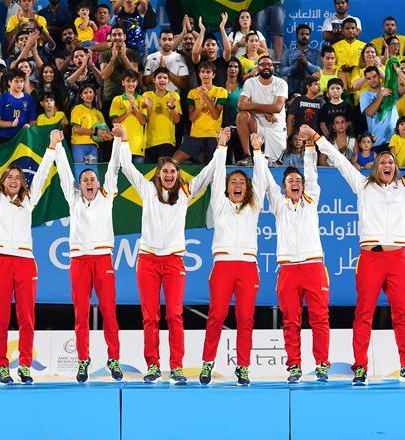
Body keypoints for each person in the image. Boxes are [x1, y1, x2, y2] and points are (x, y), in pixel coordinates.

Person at [314, 128, 405, 387]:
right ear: (375, 166)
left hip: (397, 257)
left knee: (402, 314)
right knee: (363, 313)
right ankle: (360, 367)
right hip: (370, 258)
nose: (387, 165)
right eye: (383, 162)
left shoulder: (404, 187)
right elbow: (340, 161)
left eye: (391, 162)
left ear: (396, 167)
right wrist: (319, 139)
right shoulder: (363, 185)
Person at [120, 128, 220, 385]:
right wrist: (123, 138)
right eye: (164, 171)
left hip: (174, 261)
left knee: (174, 315)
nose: (168, 174)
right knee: (150, 315)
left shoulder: (185, 194)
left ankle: (176, 367)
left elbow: (207, 175)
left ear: (178, 175)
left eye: (173, 171)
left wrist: (220, 147)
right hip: (148, 261)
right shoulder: (147, 191)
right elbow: (127, 167)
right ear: (157, 174)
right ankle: (153, 365)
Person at [0, 125, 62, 385]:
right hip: (0, 261)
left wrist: (52, 147)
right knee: (0, 317)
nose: (14, 180)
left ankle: (24, 365)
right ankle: (3, 365)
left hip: (25, 262)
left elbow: (44, 173)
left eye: (18, 177)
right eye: (9, 176)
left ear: (22, 182)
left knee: (26, 317)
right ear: (3, 180)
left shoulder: (29, 201)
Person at [54, 123, 124, 383]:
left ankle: (113, 358)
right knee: (81, 314)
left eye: (93, 179)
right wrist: (59, 146)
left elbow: (114, 168)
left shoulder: (107, 196)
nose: (89, 182)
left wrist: (117, 141)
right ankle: (83, 360)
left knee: (109, 311)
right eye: (85, 180)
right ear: (80, 185)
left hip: (102, 258)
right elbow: (63, 174)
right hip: (79, 260)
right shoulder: (73, 199)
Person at [200, 129, 267, 387]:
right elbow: (217, 176)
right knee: (216, 315)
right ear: (226, 189)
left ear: (247, 188)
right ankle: (207, 363)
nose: (237, 185)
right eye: (233, 183)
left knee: (246, 319)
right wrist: (221, 146)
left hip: (248, 266)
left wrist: (258, 152)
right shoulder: (219, 203)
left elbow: (260, 179)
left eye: (242, 183)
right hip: (223, 266)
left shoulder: (254, 206)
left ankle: (243, 367)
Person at [265, 125, 331, 382]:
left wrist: (310, 146)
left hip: (313, 266)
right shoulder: (279, 205)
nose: (296, 183)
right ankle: (294, 365)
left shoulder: (312, 198)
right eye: (291, 181)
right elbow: (266, 180)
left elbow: (312, 173)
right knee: (291, 320)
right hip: (289, 269)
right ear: (284, 188)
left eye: (298, 181)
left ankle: (322, 363)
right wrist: (259, 152)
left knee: (319, 319)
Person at [173, 61, 227, 164]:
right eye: (202, 72)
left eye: (208, 72)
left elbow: (216, 115)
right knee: (173, 161)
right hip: (195, 136)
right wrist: (201, 103)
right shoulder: (192, 93)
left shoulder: (221, 91)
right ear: (199, 74)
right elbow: (192, 118)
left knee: (210, 167)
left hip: (213, 136)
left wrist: (206, 97)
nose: (205, 74)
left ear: (213, 75)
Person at [236, 56, 288, 164]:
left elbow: (277, 108)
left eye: (269, 64)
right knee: (241, 115)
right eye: (263, 64)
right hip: (257, 125)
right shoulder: (250, 82)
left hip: (275, 126)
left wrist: (252, 105)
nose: (266, 67)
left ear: (273, 68)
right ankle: (247, 156)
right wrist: (264, 112)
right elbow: (241, 105)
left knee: (273, 163)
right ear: (257, 68)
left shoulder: (281, 83)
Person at [142, 67, 182, 162]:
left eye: (165, 78)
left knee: (162, 170)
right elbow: (144, 120)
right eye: (159, 77)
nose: (162, 80)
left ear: (168, 81)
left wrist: (172, 107)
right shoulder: (146, 95)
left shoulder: (174, 96)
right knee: (149, 175)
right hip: (148, 143)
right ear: (154, 80)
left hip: (167, 142)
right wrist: (149, 107)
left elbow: (177, 120)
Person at [109, 70, 148, 162]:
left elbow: (143, 121)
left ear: (137, 83)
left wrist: (134, 106)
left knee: (136, 176)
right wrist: (128, 112)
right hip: (121, 145)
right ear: (123, 83)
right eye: (128, 81)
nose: (131, 84)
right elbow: (114, 121)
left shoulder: (142, 99)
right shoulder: (117, 100)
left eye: (133, 81)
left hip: (137, 146)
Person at [359, 66, 399, 152]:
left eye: (374, 76)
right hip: (377, 141)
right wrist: (381, 95)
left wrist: (396, 70)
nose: (372, 80)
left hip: (395, 139)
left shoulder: (390, 90)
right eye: (369, 78)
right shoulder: (365, 95)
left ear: (379, 76)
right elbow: (369, 112)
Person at [99, 26, 140, 106]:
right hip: (109, 98)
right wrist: (113, 58)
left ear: (124, 37)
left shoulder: (133, 53)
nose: (117, 37)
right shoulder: (104, 54)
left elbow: (135, 75)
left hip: (129, 98)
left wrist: (123, 57)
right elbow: (104, 76)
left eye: (119, 34)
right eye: (114, 35)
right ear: (110, 37)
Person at [0, 69, 37, 142]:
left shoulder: (29, 99)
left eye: (21, 81)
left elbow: (33, 121)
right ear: (9, 82)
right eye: (16, 81)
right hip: (4, 137)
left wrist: (28, 126)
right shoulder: (2, 98)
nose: (19, 84)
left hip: (23, 138)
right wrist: (11, 124)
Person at [69, 84, 109, 164]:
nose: (88, 95)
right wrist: (95, 132)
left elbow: (105, 132)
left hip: (93, 147)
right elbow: (76, 129)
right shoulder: (77, 109)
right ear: (81, 96)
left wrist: (107, 136)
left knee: (91, 170)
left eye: (91, 92)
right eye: (85, 93)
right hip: (79, 145)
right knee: (80, 170)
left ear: (94, 94)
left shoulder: (98, 113)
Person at [190, 14, 231, 88]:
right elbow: (195, 52)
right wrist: (202, 31)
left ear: (218, 47)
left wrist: (222, 27)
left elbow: (228, 50)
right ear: (203, 48)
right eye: (208, 45)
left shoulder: (222, 61)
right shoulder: (200, 62)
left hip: (220, 97)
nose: (210, 47)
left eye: (213, 44)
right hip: (202, 97)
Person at [280, 24, 321, 96]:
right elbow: (282, 71)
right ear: (297, 36)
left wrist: (306, 63)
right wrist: (295, 66)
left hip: (310, 90)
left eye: (307, 34)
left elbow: (319, 70)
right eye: (302, 34)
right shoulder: (288, 52)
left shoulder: (316, 53)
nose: (304, 36)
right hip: (292, 91)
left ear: (309, 36)